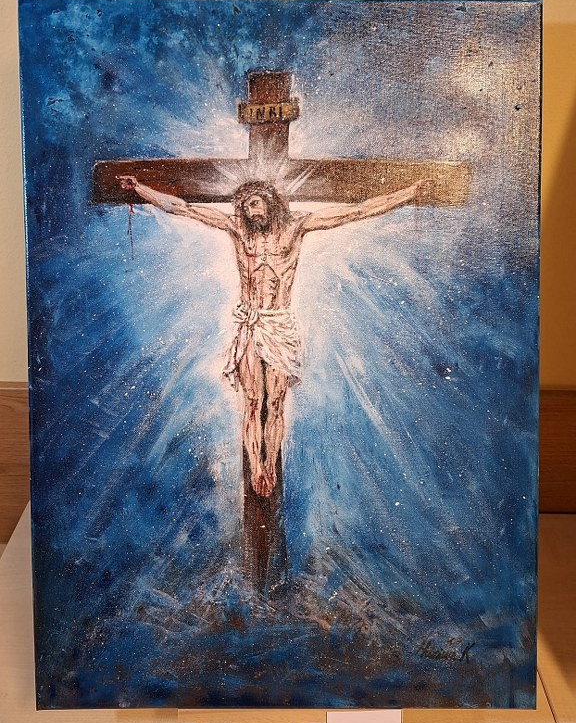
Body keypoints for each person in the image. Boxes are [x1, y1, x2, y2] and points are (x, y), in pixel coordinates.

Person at [118, 175, 427, 498]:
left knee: (276, 401)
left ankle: (270, 461)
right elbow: (184, 208)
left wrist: (408, 192)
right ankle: (257, 466)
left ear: (270, 202)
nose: (250, 212)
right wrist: (140, 189)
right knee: (252, 401)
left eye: (255, 204)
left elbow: (356, 211)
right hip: (251, 324)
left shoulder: (295, 227)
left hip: (279, 325)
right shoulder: (239, 230)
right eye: (244, 207)